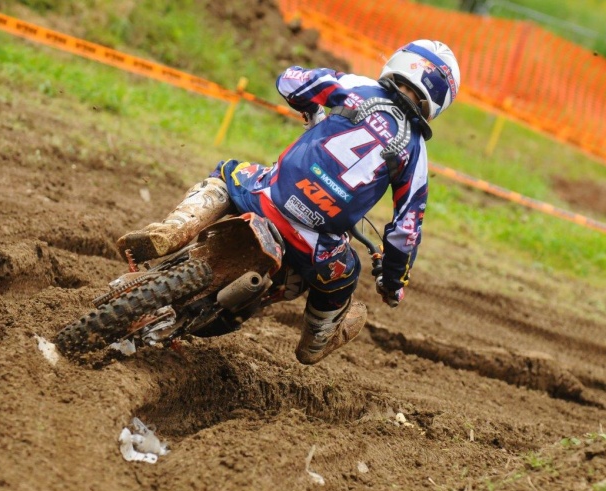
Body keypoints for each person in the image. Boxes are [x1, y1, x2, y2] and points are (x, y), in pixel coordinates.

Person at [117, 40, 461, 365]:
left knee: (228, 172)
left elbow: (292, 80)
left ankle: (173, 229)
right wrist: (393, 280)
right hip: (316, 243)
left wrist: (311, 108)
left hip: (269, 196)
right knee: (345, 277)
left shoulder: (357, 88)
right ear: (440, 101)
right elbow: (406, 231)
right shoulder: (415, 152)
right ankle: (317, 340)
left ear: (400, 61)